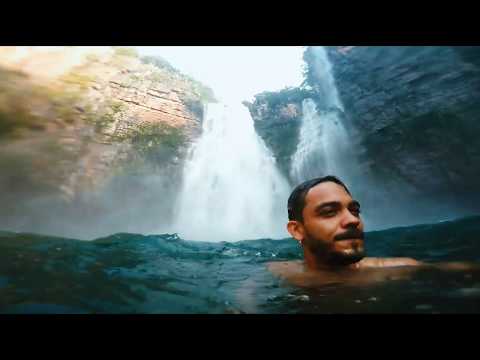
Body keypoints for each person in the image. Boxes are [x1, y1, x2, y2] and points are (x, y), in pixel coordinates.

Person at [268, 175, 478, 287]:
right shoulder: (278, 273)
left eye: (355, 210)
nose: (352, 220)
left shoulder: (400, 269)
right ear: (297, 230)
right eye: (330, 212)